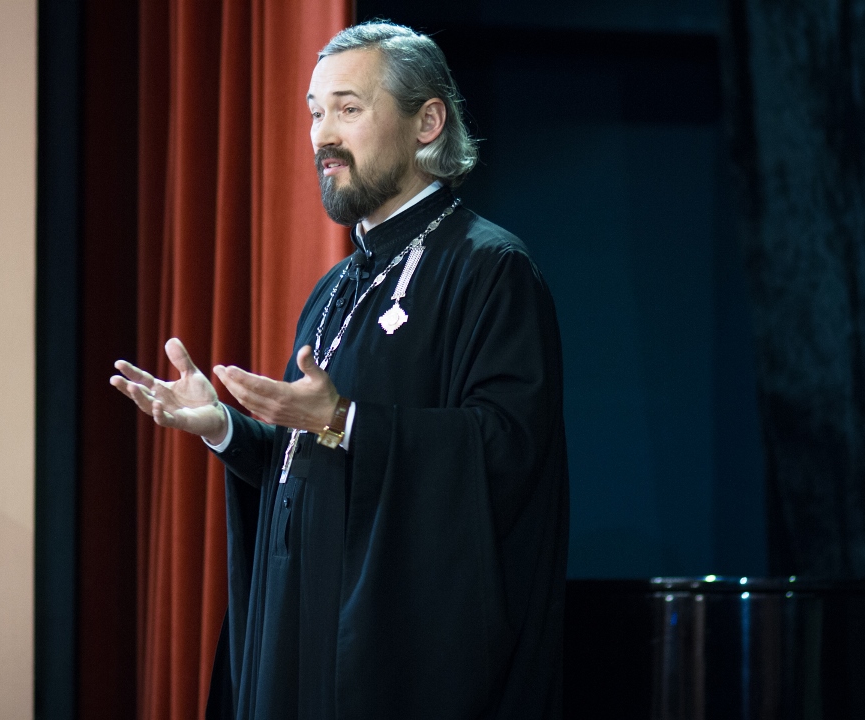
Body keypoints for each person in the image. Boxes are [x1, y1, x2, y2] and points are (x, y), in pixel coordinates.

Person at [111, 21, 569, 720]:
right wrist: (226, 429)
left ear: (427, 123)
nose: (322, 136)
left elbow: (507, 453)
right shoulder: (335, 288)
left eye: (348, 109)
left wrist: (342, 419)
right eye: (315, 112)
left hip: (399, 658)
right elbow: (316, 468)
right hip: (306, 633)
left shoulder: (490, 270)